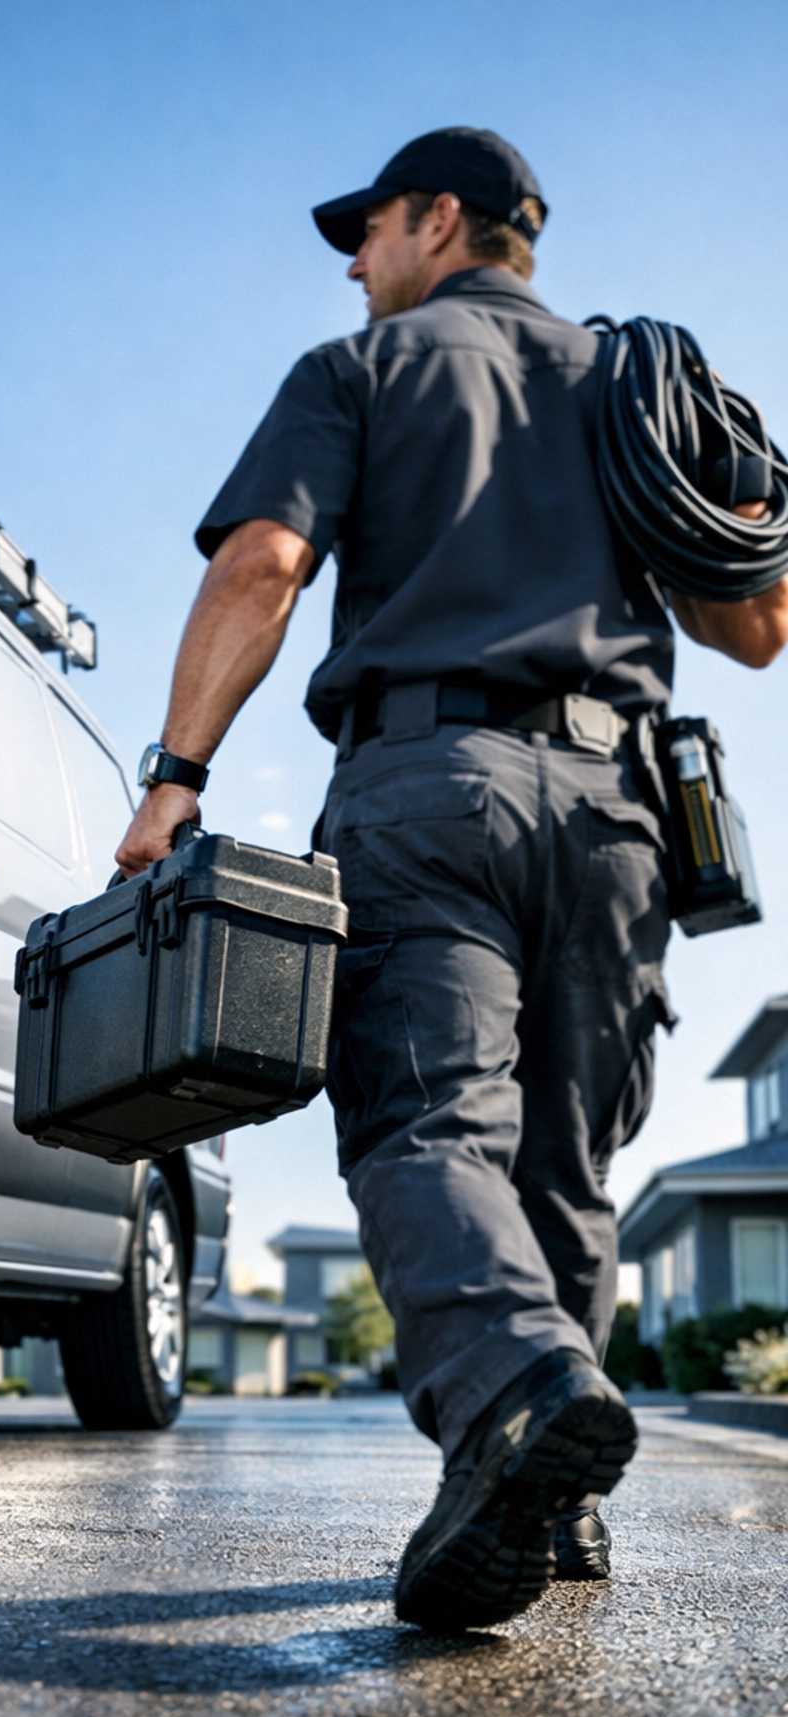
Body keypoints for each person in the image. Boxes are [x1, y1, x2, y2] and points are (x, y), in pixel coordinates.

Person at [117, 128, 788, 1633]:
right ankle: (557, 1505)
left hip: (428, 790)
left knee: (426, 1128)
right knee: (563, 1167)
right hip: (620, 811)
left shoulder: (366, 371)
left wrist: (176, 775)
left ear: (444, 220)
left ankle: (513, 1390)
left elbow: (264, 565)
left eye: (369, 231)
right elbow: (758, 630)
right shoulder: (634, 384)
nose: (355, 263)